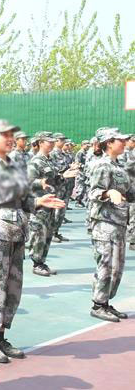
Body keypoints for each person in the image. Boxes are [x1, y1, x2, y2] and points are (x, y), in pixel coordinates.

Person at [0, 119, 64, 363]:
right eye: (4, 135)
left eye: (12, 135)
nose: (10, 139)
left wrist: (38, 202)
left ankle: (0, 336)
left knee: (12, 288)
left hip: (16, 234)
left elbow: (22, 200)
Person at [88, 128, 134, 322]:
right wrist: (108, 193)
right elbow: (93, 192)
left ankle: (105, 302)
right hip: (105, 223)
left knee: (117, 267)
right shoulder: (102, 165)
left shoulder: (119, 165)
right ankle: (98, 305)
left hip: (119, 222)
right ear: (109, 143)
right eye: (119, 140)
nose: (124, 143)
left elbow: (129, 193)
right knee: (106, 265)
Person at [27, 132, 77, 277]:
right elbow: (29, 182)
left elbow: (54, 180)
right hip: (40, 204)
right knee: (39, 235)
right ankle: (37, 263)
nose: (52, 144)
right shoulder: (35, 161)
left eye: (52, 141)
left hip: (50, 203)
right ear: (40, 143)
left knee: (47, 235)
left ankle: (42, 262)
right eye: (49, 142)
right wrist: (42, 182)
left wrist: (63, 176)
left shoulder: (49, 160)